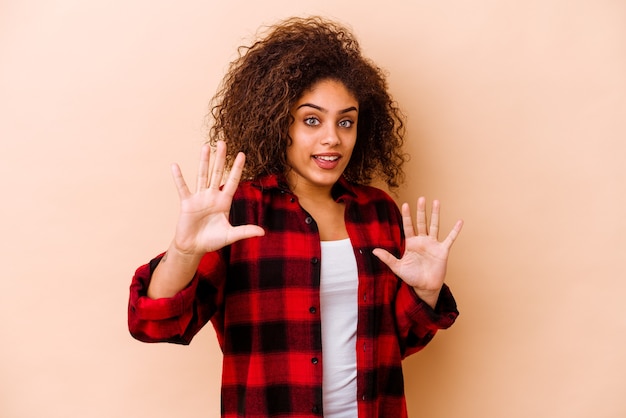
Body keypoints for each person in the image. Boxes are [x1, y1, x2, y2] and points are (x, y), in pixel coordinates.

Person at [128, 16, 463, 418]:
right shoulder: (238, 212)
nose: (332, 138)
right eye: (311, 120)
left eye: (346, 121)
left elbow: (393, 346)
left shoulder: (378, 213)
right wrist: (183, 251)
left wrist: (425, 295)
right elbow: (156, 325)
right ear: (277, 121)